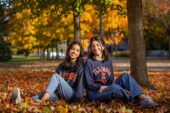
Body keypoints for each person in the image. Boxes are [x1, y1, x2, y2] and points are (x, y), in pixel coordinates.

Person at [84, 36, 157, 107]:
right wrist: (100, 87)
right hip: (95, 93)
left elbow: (111, 80)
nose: (95, 48)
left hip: (107, 88)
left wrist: (107, 87)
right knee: (114, 88)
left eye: (97, 45)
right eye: (93, 46)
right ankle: (136, 101)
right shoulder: (89, 62)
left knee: (125, 76)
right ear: (91, 48)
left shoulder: (108, 61)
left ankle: (144, 98)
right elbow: (89, 83)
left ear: (103, 47)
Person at [11, 41, 85, 104]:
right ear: (69, 50)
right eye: (72, 49)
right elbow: (56, 85)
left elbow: (81, 87)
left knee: (56, 77)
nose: (74, 51)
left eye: (77, 50)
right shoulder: (61, 66)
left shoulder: (80, 67)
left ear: (79, 54)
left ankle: (41, 102)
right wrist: (48, 91)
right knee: (42, 96)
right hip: (60, 94)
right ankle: (20, 101)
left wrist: (76, 102)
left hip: (72, 96)